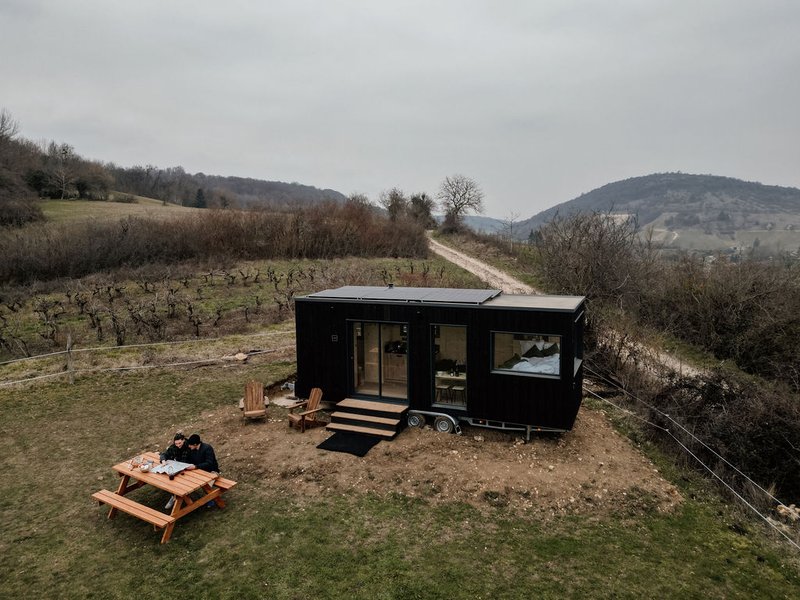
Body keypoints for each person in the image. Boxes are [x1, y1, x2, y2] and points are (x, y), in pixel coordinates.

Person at [186, 433, 220, 508]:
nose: (189, 446)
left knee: (206, 485)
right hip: (199, 471)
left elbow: (209, 463)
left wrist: (196, 467)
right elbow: (190, 460)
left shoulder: (207, 448)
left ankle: (211, 500)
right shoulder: (192, 450)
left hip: (212, 471)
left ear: (195, 444)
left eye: (190, 445)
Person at [160, 432, 189, 511]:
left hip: (189, 468)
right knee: (170, 479)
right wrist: (163, 460)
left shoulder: (189, 446)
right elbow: (164, 454)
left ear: (183, 440)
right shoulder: (174, 447)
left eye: (179, 443)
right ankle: (174, 496)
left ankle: (177, 497)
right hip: (178, 468)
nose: (178, 445)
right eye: (176, 444)